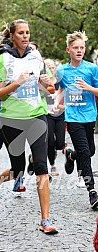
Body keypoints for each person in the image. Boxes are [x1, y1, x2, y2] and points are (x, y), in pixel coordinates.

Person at [0, 19, 58, 234]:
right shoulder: (3, 60)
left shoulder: (37, 57)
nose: (26, 36)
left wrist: (47, 84)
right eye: (21, 33)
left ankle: (45, 220)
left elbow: (51, 90)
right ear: (12, 36)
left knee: (41, 167)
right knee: (18, 169)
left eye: (28, 32)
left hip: (37, 116)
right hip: (12, 119)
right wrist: (16, 83)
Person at [53, 31, 98, 209]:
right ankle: (92, 192)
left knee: (90, 151)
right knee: (86, 153)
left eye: (82, 48)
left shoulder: (91, 68)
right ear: (68, 50)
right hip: (72, 117)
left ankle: (71, 155)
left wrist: (88, 87)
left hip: (89, 115)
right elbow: (60, 89)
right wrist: (57, 102)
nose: (79, 50)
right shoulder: (62, 70)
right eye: (76, 48)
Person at [44, 58, 65, 176]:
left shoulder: (61, 82)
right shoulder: (43, 83)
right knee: (50, 142)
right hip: (48, 115)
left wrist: (62, 107)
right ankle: (52, 165)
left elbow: (66, 98)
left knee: (60, 143)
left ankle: (59, 152)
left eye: (52, 67)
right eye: (48, 67)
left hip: (60, 115)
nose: (51, 69)